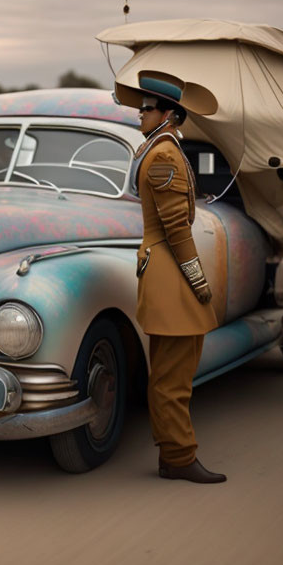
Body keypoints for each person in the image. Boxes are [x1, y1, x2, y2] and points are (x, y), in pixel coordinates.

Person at [115, 70, 225, 483]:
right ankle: (179, 457)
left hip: (162, 266)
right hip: (170, 269)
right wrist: (198, 280)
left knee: (169, 372)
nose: (139, 115)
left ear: (169, 114)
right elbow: (177, 228)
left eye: (147, 109)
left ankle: (173, 454)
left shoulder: (159, 149)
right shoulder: (163, 154)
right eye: (143, 108)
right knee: (173, 376)